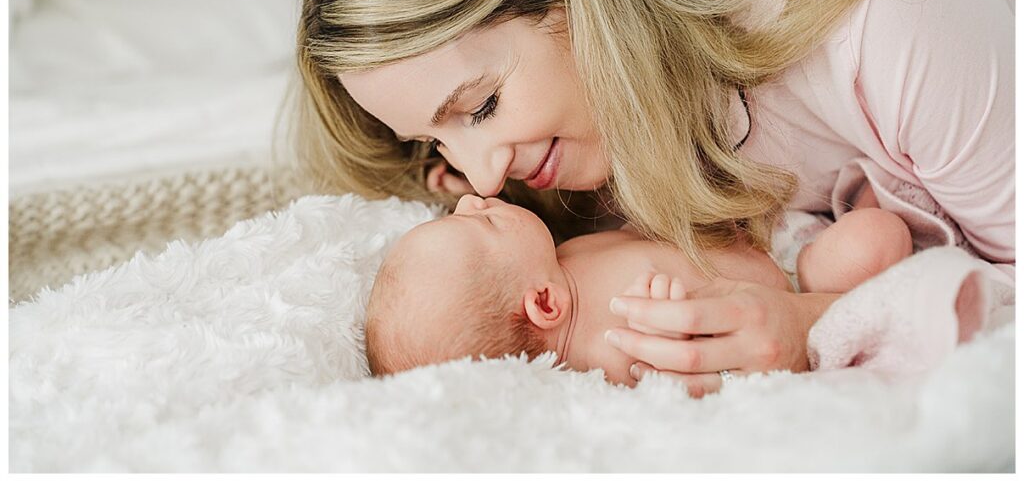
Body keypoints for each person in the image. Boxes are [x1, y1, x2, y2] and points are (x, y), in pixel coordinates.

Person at [292, 0, 1014, 395]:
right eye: (436, 141)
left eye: (481, 106)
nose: (484, 181)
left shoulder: (881, 9)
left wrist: (812, 323)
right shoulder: (582, 178)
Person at [365, 191, 914, 393]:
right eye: (481, 223)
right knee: (875, 238)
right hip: (793, 287)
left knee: (865, 225)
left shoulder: (556, 262)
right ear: (544, 305)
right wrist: (676, 319)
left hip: (767, 236)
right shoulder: (616, 344)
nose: (470, 202)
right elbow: (689, 374)